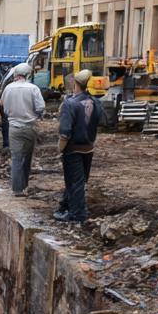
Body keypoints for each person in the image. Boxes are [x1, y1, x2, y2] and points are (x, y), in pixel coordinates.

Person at [55, 70, 102, 223]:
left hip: (73, 148)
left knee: (74, 182)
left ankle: (77, 214)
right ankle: (64, 207)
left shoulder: (70, 104)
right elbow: (101, 121)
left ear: (75, 84)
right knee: (79, 181)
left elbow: (65, 131)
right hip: (89, 147)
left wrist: (60, 147)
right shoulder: (95, 102)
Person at [0, 62, 46, 197]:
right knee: (27, 157)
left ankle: (17, 189)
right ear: (27, 74)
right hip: (30, 127)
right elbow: (40, 107)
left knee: (16, 158)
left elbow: (3, 106)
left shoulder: (8, 89)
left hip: (14, 127)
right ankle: (24, 185)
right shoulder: (33, 88)